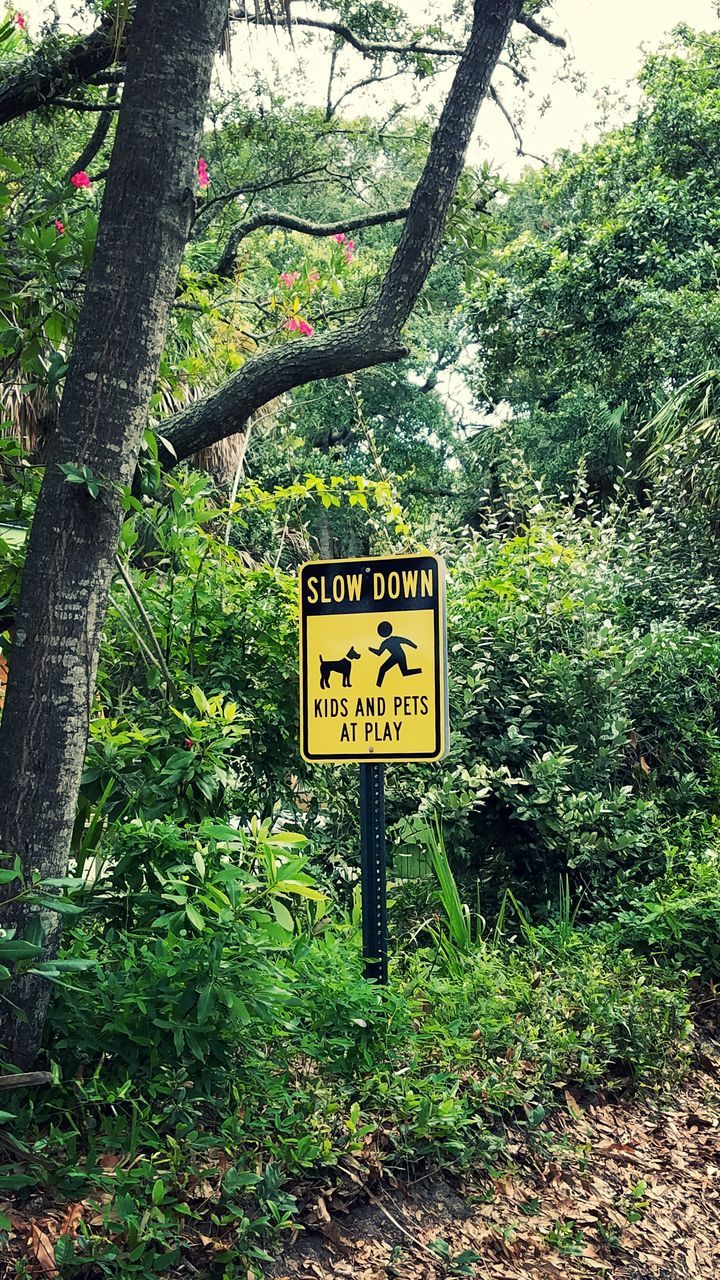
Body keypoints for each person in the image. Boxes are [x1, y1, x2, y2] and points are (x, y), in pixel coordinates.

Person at [369, 621, 422, 688]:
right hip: (395, 656)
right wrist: (371, 649)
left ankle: (420, 670)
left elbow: (405, 641)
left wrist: (414, 646)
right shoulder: (386, 642)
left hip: (400, 656)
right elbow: (379, 653)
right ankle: (377, 687)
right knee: (384, 669)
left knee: (404, 672)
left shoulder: (392, 640)